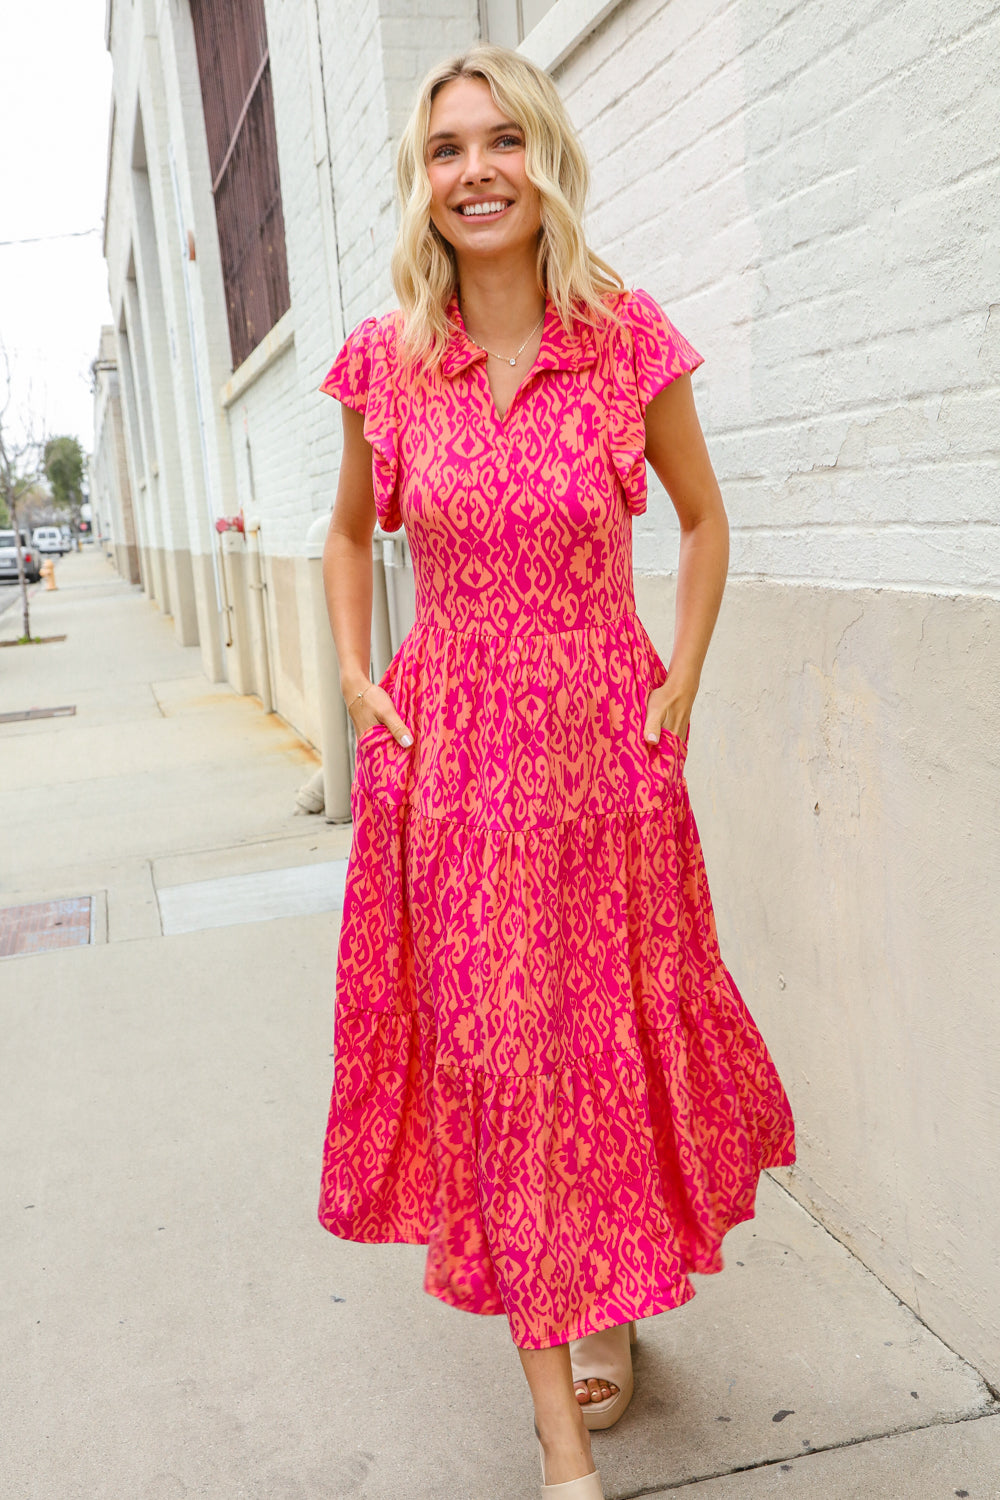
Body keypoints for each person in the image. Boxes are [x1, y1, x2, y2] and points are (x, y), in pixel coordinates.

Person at [317, 43, 795, 1499]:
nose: (475, 170)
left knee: (605, 1043)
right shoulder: (388, 366)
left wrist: (683, 682)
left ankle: (607, 1296)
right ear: (424, 179)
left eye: (501, 141)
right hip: (454, 761)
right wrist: (356, 683)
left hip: (603, 752)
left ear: (545, 160)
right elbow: (347, 535)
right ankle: (561, 1447)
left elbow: (705, 523)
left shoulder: (625, 338)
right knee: (496, 1063)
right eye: (448, 147)